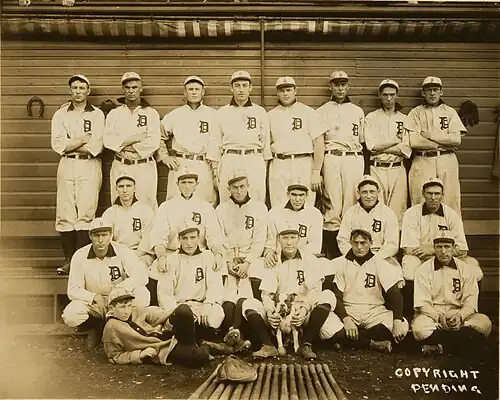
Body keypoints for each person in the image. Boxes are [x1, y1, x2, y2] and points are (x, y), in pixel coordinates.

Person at [242, 222, 343, 360]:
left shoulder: (310, 259)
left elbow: (315, 290)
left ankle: (306, 343)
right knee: (249, 303)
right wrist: (270, 312)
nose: (289, 242)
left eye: (293, 237)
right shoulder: (273, 261)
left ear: (299, 239)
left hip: (304, 311)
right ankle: (268, 345)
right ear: (278, 240)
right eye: (285, 238)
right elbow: (266, 294)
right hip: (280, 313)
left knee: (329, 299)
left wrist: (305, 309)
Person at [400, 177, 483, 318]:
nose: (433, 197)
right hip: (421, 258)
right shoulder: (412, 213)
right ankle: (414, 314)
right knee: (409, 268)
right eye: (429, 193)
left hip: (447, 256)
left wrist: (433, 250)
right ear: (423, 194)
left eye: (437, 194)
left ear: (442, 195)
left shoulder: (451, 214)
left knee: (474, 268)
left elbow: (462, 249)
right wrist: (429, 254)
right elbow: (409, 248)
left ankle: (468, 312)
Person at [61, 218, 149, 350]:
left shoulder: (123, 251)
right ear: (90, 236)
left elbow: (141, 276)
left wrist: (120, 289)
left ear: (111, 235)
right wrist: (94, 297)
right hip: (95, 304)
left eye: (104, 235)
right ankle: (98, 326)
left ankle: (125, 329)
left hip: (119, 301)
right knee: (71, 315)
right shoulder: (80, 255)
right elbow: (73, 290)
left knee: (143, 294)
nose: (101, 240)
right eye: (97, 235)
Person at [51, 74, 104, 275]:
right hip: (67, 164)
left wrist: (70, 143)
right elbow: (58, 144)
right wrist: (82, 139)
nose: (78, 91)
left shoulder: (97, 114)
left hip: (89, 164)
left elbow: (97, 146)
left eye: (82, 88)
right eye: (75, 88)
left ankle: (82, 262)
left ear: (88, 91)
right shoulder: (61, 114)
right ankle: (69, 260)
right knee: (65, 212)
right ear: (70, 90)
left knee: (86, 211)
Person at [149, 168, 225, 301]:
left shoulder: (205, 207)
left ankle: (211, 305)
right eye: (183, 182)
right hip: (173, 254)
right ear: (177, 184)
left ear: (196, 184)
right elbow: (159, 236)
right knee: (156, 269)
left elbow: (214, 236)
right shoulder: (166, 207)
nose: (187, 186)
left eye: (190, 182)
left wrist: (218, 253)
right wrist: (161, 256)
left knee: (218, 266)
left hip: (199, 254)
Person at [411, 233, 492, 355]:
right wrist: (438, 317)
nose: (443, 251)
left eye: (447, 247)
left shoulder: (466, 269)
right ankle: (463, 343)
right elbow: (422, 304)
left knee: (484, 323)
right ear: (434, 248)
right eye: (439, 247)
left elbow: (470, 302)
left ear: (454, 248)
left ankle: (440, 347)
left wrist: (460, 316)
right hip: (434, 316)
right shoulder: (423, 270)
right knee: (419, 329)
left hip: (458, 315)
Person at [330, 229, 409, 353]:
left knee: (402, 324)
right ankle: (371, 343)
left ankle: (349, 340)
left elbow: (395, 294)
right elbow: (337, 296)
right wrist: (346, 319)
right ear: (350, 243)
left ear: (371, 243)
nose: (359, 247)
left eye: (363, 243)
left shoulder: (379, 263)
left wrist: (397, 321)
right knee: (326, 327)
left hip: (374, 311)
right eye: (355, 243)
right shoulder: (342, 263)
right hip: (350, 309)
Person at [215, 170, 268, 351]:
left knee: (247, 292)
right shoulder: (221, 209)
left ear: (248, 186)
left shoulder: (259, 208)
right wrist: (228, 261)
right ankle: (232, 334)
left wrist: (248, 262)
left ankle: (242, 333)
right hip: (229, 258)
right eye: (235, 187)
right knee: (228, 294)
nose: (239, 191)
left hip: (249, 258)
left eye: (242, 186)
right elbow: (218, 238)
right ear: (229, 189)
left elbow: (259, 239)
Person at [317, 71, 365, 260]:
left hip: (353, 157)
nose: (340, 88)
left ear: (348, 87)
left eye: (343, 84)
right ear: (331, 86)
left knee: (352, 204)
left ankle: (352, 252)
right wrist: (318, 170)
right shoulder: (322, 111)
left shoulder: (357, 111)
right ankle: (333, 256)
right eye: (336, 84)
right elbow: (319, 143)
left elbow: (363, 142)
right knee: (332, 205)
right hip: (332, 157)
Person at [102, 287, 212, 367]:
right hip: (162, 349)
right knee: (198, 357)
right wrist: (140, 354)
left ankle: (193, 345)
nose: (127, 311)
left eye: (129, 305)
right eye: (122, 307)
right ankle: (204, 346)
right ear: (111, 308)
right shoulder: (111, 327)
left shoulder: (135, 311)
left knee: (183, 309)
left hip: (167, 334)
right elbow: (115, 356)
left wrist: (175, 315)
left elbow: (157, 315)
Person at [206, 70, 272, 203]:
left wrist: (262, 167)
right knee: (228, 198)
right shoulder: (222, 112)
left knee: (256, 198)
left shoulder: (259, 112)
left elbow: (265, 143)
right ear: (231, 88)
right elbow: (215, 142)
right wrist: (215, 170)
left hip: (253, 158)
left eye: (244, 85)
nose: (241, 89)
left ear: (250, 88)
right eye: (237, 86)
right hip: (230, 158)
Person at [156, 221, 225, 343]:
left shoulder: (208, 257)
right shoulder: (172, 259)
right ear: (178, 239)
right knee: (182, 317)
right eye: (185, 238)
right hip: (181, 306)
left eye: (193, 237)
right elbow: (165, 293)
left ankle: (194, 338)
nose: (189, 243)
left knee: (217, 312)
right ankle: (202, 339)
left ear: (198, 238)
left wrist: (207, 305)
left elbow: (215, 286)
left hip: (202, 305)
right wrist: (177, 310)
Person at [407, 76, 467, 215]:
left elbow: (456, 139)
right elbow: (414, 141)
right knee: (420, 198)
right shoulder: (416, 112)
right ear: (423, 93)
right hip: (422, 159)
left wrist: (429, 135)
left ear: (441, 92)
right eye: (429, 90)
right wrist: (443, 143)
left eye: (435, 89)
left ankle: (449, 229)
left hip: (446, 159)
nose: (432, 93)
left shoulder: (449, 112)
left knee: (450, 198)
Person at [156, 76, 218, 206]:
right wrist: (164, 157)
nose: (194, 92)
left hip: (203, 163)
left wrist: (215, 168)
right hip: (181, 163)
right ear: (185, 92)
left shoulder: (213, 115)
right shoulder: (175, 115)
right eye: (190, 89)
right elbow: (158, 135)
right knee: (176, 203)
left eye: (197, 89)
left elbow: (218, 141)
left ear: (203, 92)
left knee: (205, 202)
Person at [103, 72, 160, 209]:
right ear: (123, 90)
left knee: (146, 205)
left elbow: (153, 142)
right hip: (121, 164)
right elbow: (108, 141)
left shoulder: (151, 113)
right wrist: (136, 139)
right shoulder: (114, 114)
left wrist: (122, 143)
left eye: (134, 87)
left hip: (143, 165)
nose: (131, 91)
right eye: (127, 88)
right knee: (120, 204)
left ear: (141, 89)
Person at [267, 76, 325, 208]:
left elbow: (319, 142)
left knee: (305, 204)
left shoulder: (308, 112)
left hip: (303, 162)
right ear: (277, 93)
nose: (285, 94)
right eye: (282, 91)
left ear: (295, 91)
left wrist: (316, 171)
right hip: (279, 163)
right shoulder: (271, 115)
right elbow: (267, 144)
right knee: (279, 204)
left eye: (288, 90)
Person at [101, 175, 156, 302]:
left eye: (128, 186)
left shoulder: (145, 210)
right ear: (116, 189)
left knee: (140, 270)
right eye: (121, 187)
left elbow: (148, 237)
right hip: (118, 254)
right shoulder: (110, 213)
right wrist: (122, 256)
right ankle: (117, 302)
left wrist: (134, 255)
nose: (125, 190)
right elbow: (108, 239)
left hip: (140, 254)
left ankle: (137, 303)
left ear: (134, 188)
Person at [260, 181, 323, 291]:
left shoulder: (314, 213)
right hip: (280, 257)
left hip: (304, 258)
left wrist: (294, 255)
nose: (297, 199)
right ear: (288, 194)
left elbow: (315, 245)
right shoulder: (275, 212)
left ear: (307, 195)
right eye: (294, 194)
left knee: (322, 268)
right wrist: (269, 253)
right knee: (259, 268)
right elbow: (271, 240)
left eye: (301, 195)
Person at [364, 79, 411, 225]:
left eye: (392, 94)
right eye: (385, 95)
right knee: (377, 208)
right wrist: (396, 141)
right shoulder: (371, 117)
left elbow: (406, 149)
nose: (389, 99)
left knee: (398, 210)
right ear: (380, 95)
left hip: (397, 168)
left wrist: (382, 146)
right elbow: (372, 146)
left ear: (397, 95)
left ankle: (395, 240)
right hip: (377, 168)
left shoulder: (404, 119)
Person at [337, 175, 400, 267]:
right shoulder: (350, 212)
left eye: (372, 192)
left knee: (393, 272)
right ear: (358, 193)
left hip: (381, 257)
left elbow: (392, 244)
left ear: (378, 192)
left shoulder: (388, 213)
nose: (369, 196)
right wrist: (356, 256)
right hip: (355, 257)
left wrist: (373, 259)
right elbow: (342, 240)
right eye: (364, 192)